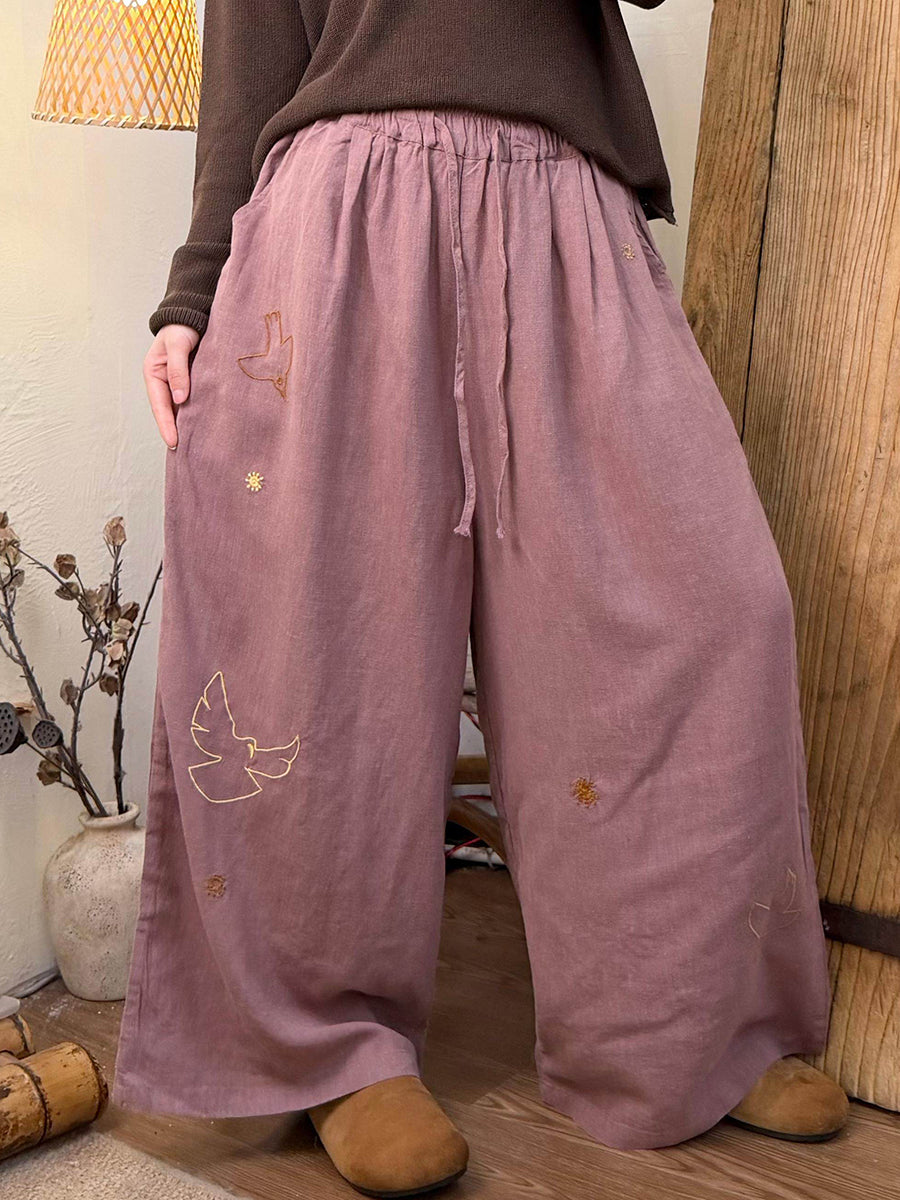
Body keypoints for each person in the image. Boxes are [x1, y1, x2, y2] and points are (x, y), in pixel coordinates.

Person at [112, 1, 849, 1194]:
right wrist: (191, 297)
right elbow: (252, 57)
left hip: (565, 212)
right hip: (339, 218)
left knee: (713, 612)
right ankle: (333, 1050)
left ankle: (686, 1020)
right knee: (321, 648)